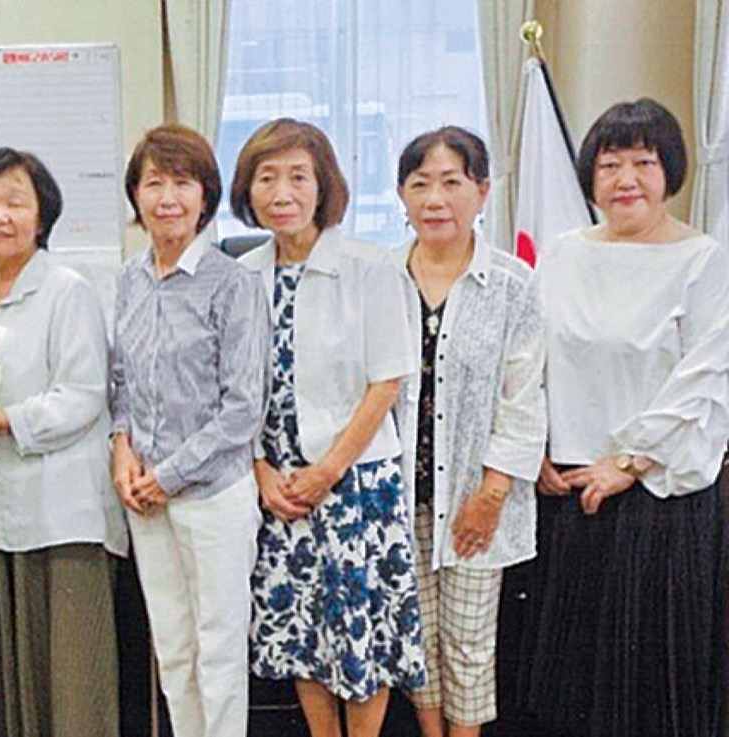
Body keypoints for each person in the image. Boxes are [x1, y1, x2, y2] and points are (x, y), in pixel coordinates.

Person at [525, 98, 729, 737]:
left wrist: (629, 462)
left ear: (671, 172)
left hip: (657, 495)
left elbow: (705, 377)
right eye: (610, 165)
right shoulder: (562, 253)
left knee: (647, 690)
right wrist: (535, 446)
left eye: (644, 162)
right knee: (571, 684)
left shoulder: (704, 259)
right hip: (568, 488)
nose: (626, 180)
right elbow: (530, 357)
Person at [0, 147, 128, 736]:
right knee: (3, 661)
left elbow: (83, 396)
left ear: (42, 215)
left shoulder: (67, 290)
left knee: (71, 673)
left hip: (62, 509)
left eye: (15, 202)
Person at [233, 118, 425, 737]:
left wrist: (328, 471)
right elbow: (236, 388)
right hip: (280, 488)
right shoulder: (243, 276)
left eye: (298, 177)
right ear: (248, 189)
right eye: (267, 178)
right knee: (301, 630)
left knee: (362, 632)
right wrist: (262, 471)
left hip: (355, 484)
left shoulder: (370, 267)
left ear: (324, 187)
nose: (282, 193)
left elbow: (387, 382)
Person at [110, 124, 268, 737]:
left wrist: (168, 476)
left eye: (182, 183)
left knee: (219, 651)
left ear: (206, 196)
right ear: (136, 194)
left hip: (212, 496)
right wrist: (122, 450)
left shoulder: (233, 283)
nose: (167, 198)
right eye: (154, 183)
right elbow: (122, 382)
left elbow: (242, 409)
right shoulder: (130, 278)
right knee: (173, 650)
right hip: (145, 496)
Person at [390, 127, 546, 737]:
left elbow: (523, 400)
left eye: (451, 182)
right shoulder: (379, 278)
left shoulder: (512, 284)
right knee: (417, 634)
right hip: (396, 495)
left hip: (475, 497)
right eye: (420, 183)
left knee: (470, 641)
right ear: (401, 195)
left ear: (481, 192)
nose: (435, 199)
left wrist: (491, 495)